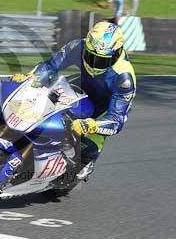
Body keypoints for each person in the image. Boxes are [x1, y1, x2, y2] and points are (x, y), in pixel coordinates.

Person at [10, 21, 136, 181]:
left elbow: (117, 120)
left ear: (116, 54)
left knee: (88, 145)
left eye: (101, 60)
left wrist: (92, 125)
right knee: (41, 100)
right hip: (81, 86)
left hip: (106, 105)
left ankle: (84, 164)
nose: (94, 63)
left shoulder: (124, 78)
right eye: (91, 56)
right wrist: (32, 76)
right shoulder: (78, 46)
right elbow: (50, 66)